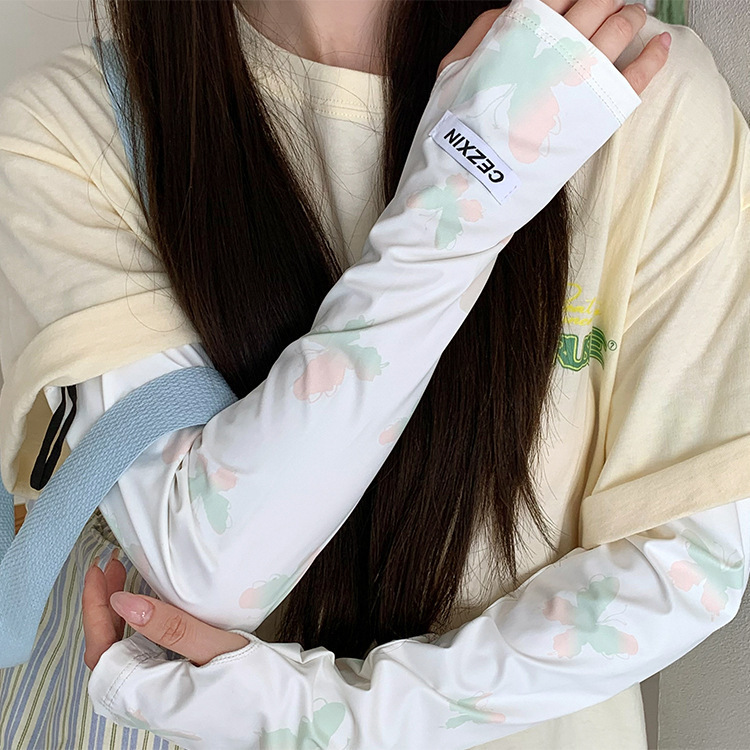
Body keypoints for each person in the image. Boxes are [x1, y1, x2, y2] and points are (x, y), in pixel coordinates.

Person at [0, 0, 747, 749]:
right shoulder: (71, 132)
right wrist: (466, 184)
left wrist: (320, 718)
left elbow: (687, 564)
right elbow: (212, 567)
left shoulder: (623, 81)